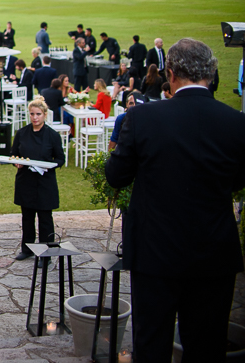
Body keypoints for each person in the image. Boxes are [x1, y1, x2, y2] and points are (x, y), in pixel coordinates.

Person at [106, 38, 245, 360]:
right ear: (212, 73)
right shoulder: (237, 123)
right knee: (207, 345)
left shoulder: (143, 119)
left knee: (151, 344)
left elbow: (116, 176)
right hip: (214, 250)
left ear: (170, 73)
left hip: (156, 251)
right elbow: (237, 182)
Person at [12, 97, 66, 261]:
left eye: (38, 114)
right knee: (27, 217)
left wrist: (49, 166)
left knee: (45, 219)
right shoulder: (22, 133)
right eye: (32, 114)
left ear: (44, 115)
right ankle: (27, 248)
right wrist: (16, 163)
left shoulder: (52, 135)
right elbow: (14, 154)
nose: (35, 117)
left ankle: (46, 254)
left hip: (44, 182)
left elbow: (60, 159)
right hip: (26, 180)